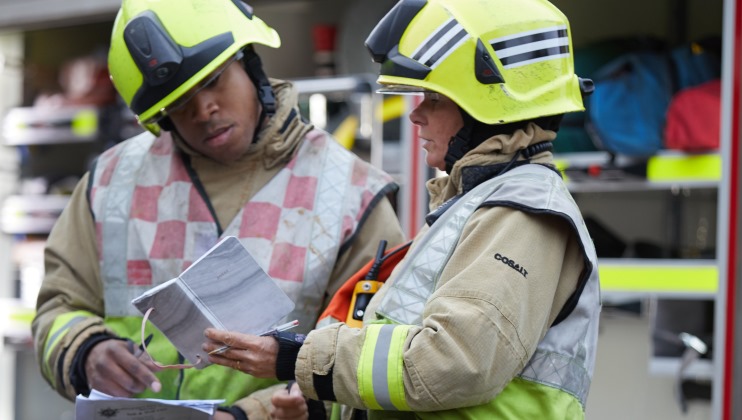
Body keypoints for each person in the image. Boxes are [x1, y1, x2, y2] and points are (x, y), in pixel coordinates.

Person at [202, 0, 602, 418]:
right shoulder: (481, 204)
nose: (416, 114)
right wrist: (320, 406)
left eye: (433, 98)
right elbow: (402, 370)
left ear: (487, 105)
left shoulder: (523, 214)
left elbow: (453, 364)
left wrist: (298, 358)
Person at [30, 0, 405, 419]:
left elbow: (373, 354)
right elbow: (57, 308)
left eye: (213, 80)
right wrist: (85, 350)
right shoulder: (111, 180)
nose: (203, 110)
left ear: (250, 63)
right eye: (178, 101)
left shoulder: (353, 195)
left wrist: (257, 412)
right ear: (160, 117)